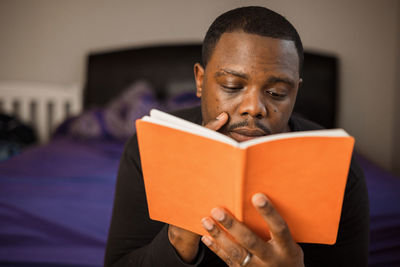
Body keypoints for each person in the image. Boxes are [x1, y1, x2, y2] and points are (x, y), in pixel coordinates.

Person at [104, 6, 369, 267]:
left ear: (295, 92)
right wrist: (177, 239)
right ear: (200, 80)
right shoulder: (148, 149)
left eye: (276, 92)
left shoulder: (339, 169)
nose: (253, 108)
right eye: (232, 86)